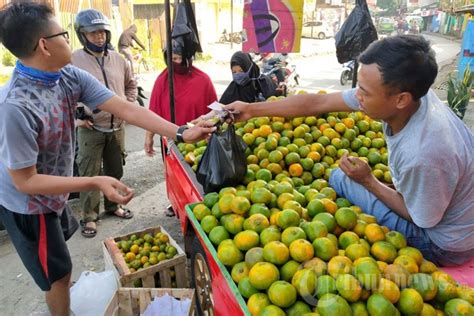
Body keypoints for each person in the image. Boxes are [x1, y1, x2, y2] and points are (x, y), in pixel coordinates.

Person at [0, 3, 214, 315]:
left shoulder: (66, 76)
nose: (69, 40)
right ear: (44, 45)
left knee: (59, 265)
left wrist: (179, 132)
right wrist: (96, 180)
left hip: (53, 192)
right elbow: (25, 181)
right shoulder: (15, 106)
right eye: (62, 34)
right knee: (57, 275)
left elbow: (125, 108)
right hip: (29, 205)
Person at [224, 35, 473, 266]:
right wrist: (251, 109)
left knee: (339, 177)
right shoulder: (417, 95)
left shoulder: (424, 154)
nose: (358, 96)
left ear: (401, 99)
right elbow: (319, 102)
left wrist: (369, 181)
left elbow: (422, 220)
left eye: (364, 92)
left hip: (445, 244)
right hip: (451, 207)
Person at [72, 9, 137, 238]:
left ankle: (113, 206)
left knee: (115, 169)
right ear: (82, 35)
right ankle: (89, 217)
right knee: (89, 173)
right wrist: (77, 116)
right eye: (93, 33)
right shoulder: (73, 60)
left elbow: (131, 85)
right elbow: (62, 93)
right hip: (91, 129)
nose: (99, 37)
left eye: (102, 32)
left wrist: (127, 107)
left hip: (117, 127)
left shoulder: (118, 59)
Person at [144, 40, 217, 156]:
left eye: (181, 58)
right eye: (174, 59)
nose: (178, 62)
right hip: (170, 141)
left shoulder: (203, 80)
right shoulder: (162, 81)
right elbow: (153, 112)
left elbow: (215, 112)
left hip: (198, 143)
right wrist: (149, 137)